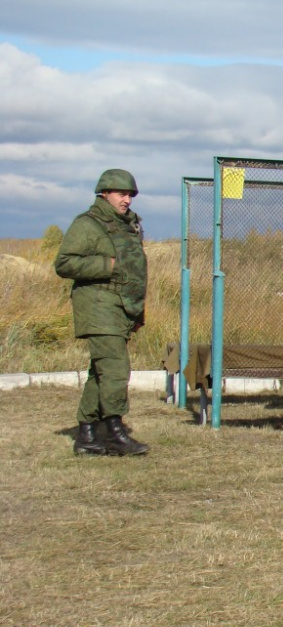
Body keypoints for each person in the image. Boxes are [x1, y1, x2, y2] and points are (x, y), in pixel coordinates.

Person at [54, 169, 150, 456]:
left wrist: (136, 312)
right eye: (121, 194)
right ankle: (115, 432)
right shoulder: (88, 224)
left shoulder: (129, 226)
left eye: (130, 195)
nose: (127, 200)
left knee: (100, 371)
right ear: (104, 193)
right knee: (115, 369)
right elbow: (64, 263)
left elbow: (134, 271)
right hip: (97, 305)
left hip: (122, 306)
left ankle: (87, 434)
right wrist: (106, 265)